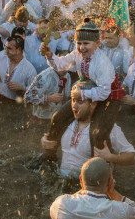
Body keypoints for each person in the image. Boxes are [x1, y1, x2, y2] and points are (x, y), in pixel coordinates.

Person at [41, 21, 124, 154]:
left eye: (86, 43)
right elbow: (61, 66)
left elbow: (104, 92)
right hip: (87, 92)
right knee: (57, 118)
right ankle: (49, 157)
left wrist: (83, 95)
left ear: (97, 43)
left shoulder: (103, 62)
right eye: (79, 43)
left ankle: (104, 167)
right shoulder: (77, 54)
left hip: (109, 98)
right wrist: (50, 55)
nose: (81, 47)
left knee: (98, 132)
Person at [41, 80, 135, 178]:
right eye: (73, 100)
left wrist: (111, 157)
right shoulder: (66, 122)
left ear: (93, 104)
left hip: (88, 185)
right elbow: (49, 143)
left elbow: (131, 157)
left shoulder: (109, 129)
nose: (74, 106)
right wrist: (45, 141)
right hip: (60, 180)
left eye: (80, 102)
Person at [0, 35, 37, 102]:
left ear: (19, 50)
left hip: (13, 106)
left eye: (9, 48)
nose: (6, 51)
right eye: (5, 47)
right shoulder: (1, 56)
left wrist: (22, 88)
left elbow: (35, 91)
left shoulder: (29, 69)